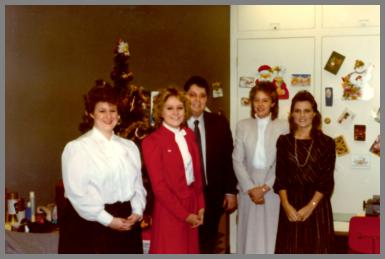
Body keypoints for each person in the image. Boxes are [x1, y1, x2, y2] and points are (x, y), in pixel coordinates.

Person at [59, 80, 147, 254]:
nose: (108, 116)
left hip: (126, 219)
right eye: (102, 111)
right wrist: (108, 220)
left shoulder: (129, 147)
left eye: (112, 110)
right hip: (92, 225)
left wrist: (137, 210)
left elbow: (138, 184)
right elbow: (78, 195)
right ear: (91, 114)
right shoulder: (77, 148)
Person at [141, 87, 205, 254]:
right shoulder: (151, 142)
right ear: (160, 111)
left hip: (192, 206)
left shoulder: (189, 135)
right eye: (169, 108)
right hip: (169, 210)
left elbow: (197, 174)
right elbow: (159, 188)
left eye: (179, 108)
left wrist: (200, 206)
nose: (175, 113)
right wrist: (185, 215)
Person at [273, 90, 336, 253]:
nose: (302, 115)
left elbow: (326, 181)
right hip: (290, 205)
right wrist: (286, 206)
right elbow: (281, 178)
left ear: (314, 114)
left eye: (307, 110)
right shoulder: (284, 141)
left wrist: (310, 207)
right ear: (292, 114)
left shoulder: (327, 143)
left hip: (317, 207)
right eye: (297, 110)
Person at [184, 76, 238, 254]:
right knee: (186, 244)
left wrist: (230, 191)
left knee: (207, 244)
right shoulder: (177, 123)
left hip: (211, 196)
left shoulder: (219, 123)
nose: (197, 100)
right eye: (192, 95)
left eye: (202, 96)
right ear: (185, 97)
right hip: (185, 196)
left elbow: (229, 159)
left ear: (207, 98)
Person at [232, 81, 288, 254]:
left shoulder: (283, 126)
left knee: (270, 237)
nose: (260, 104)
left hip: (272, 190)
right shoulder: (243, 125)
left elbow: (283, 162)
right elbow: (237, 159)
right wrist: (251, 189)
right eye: (256, 100)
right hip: (247, 190)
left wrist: (264, 188)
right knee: (248, 238)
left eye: (265, 100)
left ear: (273, 103)